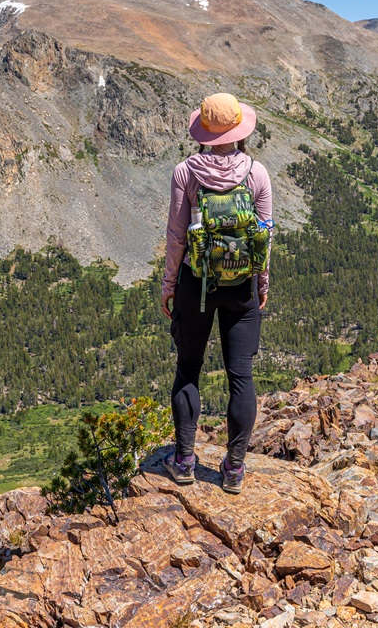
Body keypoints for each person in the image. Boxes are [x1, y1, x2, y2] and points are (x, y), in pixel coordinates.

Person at [161, 92, 272, 494]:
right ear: (240, 131)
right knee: (240, 375)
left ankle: (185, 460)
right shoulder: (257, 173)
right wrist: (261, 283)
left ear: (204, 132)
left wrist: (170, 285)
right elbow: (264, 236)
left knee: (188, 368)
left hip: (196, 284)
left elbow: (176, 237)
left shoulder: (185, 172)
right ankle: (234, 469)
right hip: (241, 287)